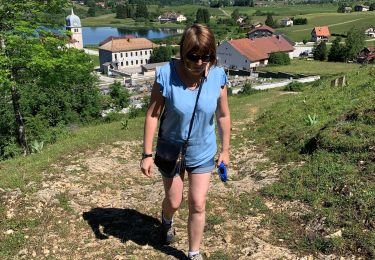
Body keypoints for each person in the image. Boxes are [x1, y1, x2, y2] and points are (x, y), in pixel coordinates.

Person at [140, 23, 230, 260]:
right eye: (194, 56)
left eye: (206, 56)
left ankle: (193, 252)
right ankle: (167, 218)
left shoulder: (218, 76)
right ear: (183, 52)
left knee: (198, 203)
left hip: (203, 150)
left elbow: (223, 115)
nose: (200, 62)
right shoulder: (166, 75)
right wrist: (147, 154)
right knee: (174, 200)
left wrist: (226, 150)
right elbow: (152, 115)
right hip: (172, 150)